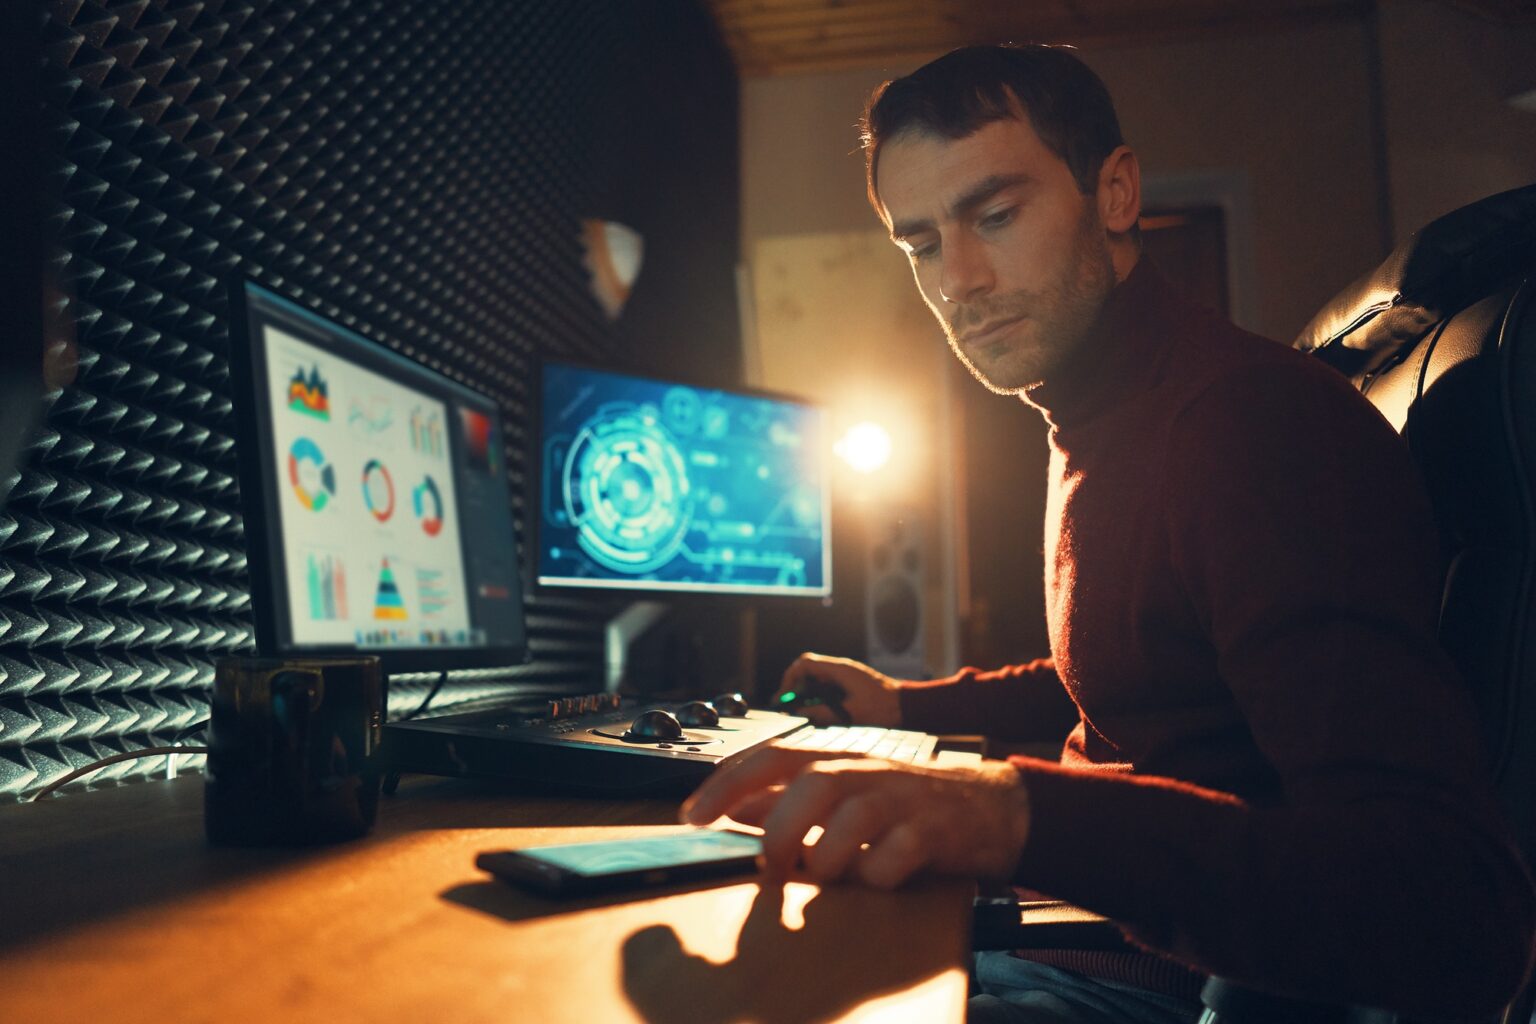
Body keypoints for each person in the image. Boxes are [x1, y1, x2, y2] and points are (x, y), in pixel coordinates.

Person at [681, 43, 1536, 1023]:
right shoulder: (1100, 412)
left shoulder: (1251, 431)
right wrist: (906, 705)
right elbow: (1148, 666)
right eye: (920, 243)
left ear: (1116, 190)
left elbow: (1461, 913)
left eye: (995, 215)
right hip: (1068, 938)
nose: (957, 278)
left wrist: (1012, 813)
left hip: (1147, 981)